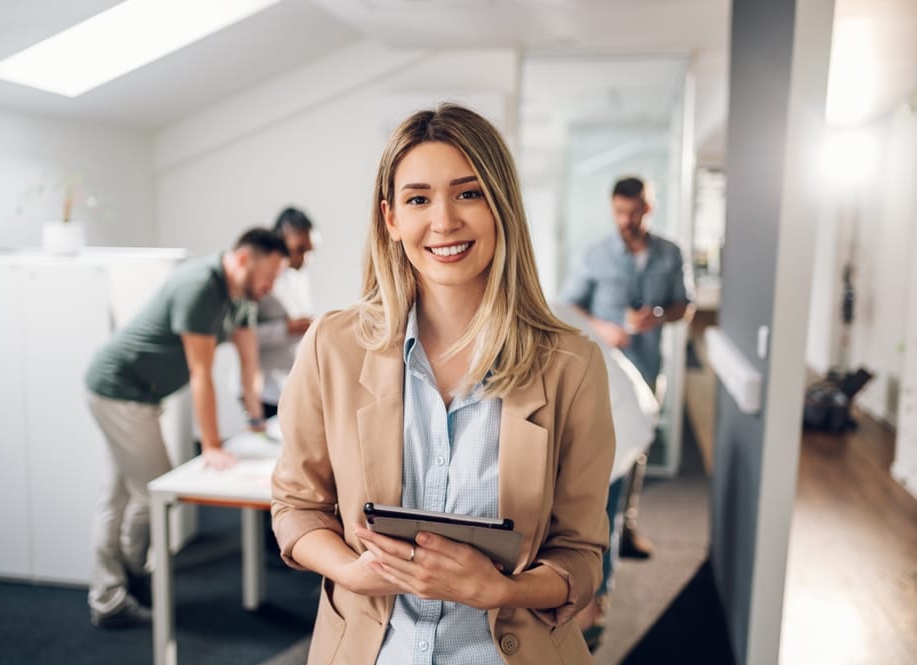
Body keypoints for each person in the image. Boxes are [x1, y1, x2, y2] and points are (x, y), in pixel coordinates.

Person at [271, 104, 615, 665]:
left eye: (468, 193)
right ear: (390, 218)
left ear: (501, 205)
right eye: (418, 199)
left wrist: (502, 591)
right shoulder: (332, 345)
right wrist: (351, 572)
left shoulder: (571, 365)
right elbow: (296, 506)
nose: (444, 221)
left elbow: (580, 554)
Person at [84, 228, 288, 629]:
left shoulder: (242, 298)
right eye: (270, 273)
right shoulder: (200, 286)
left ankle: (112, 592)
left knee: (119, 495)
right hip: (118, 390)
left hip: (140, 395)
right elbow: (201, 373)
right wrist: (210, 444)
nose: (272, 284)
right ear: (244, 259)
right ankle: (126, 584)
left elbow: (249, 366)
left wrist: (256, 423)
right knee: (152, 491)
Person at [561, 176, 694, 562]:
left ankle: (626, 527)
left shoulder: (671, 253)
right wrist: (604, 328)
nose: (626, 220)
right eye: (619, 212)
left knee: (636, 451)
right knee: (599, 452)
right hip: (605, 373)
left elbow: (685, 306)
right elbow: (569, 306)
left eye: (634, 212)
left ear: (648, 209)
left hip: (649, 369)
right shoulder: (595, 253)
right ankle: (592, 534)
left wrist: (657, 315)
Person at [550, 302, 660, 651]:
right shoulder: (547, 303)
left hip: (617, 421)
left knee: (597, 526)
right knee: (601, 518)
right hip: (622, 407)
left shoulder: (535, 321)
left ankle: (591, 616)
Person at [254, 206, 316, 419]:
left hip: (287, 385)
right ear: (281, 238)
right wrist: (286, 329)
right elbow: (241, 334)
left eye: (309, 251)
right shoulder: (261, 279)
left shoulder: (299, 276)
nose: (305, 258)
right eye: (300, 249)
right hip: (263, 388)